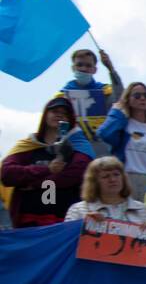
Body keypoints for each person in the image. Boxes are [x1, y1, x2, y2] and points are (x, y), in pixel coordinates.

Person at [1, 97, 95, 227]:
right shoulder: (28, 145)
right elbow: (7, 174)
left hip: (64, 221)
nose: (59, 115)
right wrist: (47, 169)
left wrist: (34, 182)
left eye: (65, 113)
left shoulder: (77, 148)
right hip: (27, 220)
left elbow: (76, 174)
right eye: (55, 111)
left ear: (70, 120)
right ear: (45, 115)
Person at [96, 81, 146, 200]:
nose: (142, 98)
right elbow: (104, 133)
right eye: (137, 95)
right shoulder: (123, 122)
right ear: (128, 99)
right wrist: (116, 112)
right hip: (125, 178)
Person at [62, 48, 124, 150]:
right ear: (73, 68)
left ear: (95, 70)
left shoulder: (104, 91)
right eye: (79, 65)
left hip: (101, 148)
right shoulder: (63, 95)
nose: (83, 69)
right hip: (75, 149)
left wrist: (111, 69)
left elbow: (120, 97)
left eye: (88, 65)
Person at [64, 156, 146, 224]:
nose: (112, 179)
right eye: (106, 176)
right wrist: (82, 225)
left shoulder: (141, 209)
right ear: (94, 182)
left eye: (116, 174)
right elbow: (67, 240)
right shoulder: (78, 210)